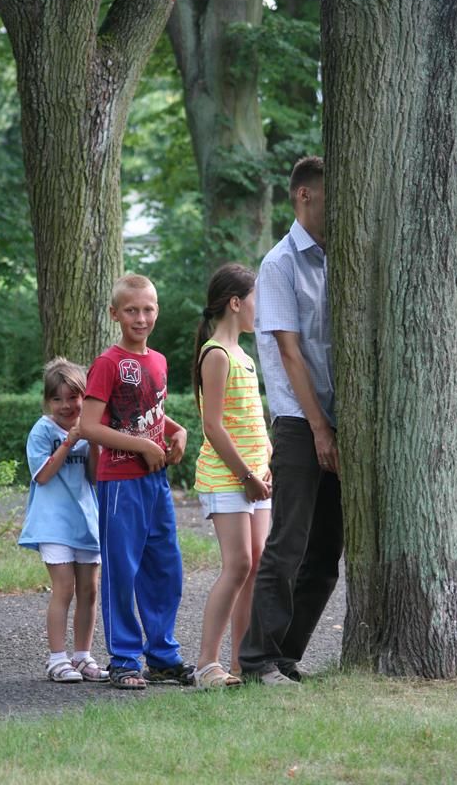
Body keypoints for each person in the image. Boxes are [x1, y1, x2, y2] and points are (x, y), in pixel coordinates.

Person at [239, 155, 343, 685]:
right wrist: (320, 428)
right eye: (330, 195)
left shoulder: (336, 259)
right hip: (302, 424)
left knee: (325, 553)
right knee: (288, 544)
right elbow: (289, 351)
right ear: (304, 195)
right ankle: (255, 659)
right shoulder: (280, 264)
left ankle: (286, 655)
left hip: (341, 422)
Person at [80, 273, 194, 690]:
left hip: (156, 482)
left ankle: (163, 656)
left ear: (157, 310)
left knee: (165, 568)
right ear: (115, 314)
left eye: (148, 309)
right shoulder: (108, 363)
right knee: (122, 571)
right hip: (120, 484)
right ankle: (124, 660)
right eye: (131, 310)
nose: (141, 318)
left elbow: (149, 411)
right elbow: (89, 426)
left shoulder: (158, 361)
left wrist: (177, 432)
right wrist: (141, 446)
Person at [192, 264, 272, 689]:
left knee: (256, 563)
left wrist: (266, 461)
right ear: (236, 303)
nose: (262, 308)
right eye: (257, 299)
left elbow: (252, 420)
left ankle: (243, 663)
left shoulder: (245, 356)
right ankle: (207, 665)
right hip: (228, 478)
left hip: (256, 477)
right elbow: (214, 426)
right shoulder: (217, 355)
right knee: (238, 564)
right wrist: (246, 475)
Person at [19, 357, 108, 684]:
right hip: (53, 521)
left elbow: (94, 477)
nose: (66, 405)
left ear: (85, 397)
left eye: (73, 397)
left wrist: (93, 441)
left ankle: (82, 657)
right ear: (47, 401)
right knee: (65, 588)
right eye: (57, 398)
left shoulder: (90, 429)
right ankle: (57, 659)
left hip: (85, 519)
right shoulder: (43, 430)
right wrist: (70, 441)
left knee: (90, 590)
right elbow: (42, 475)